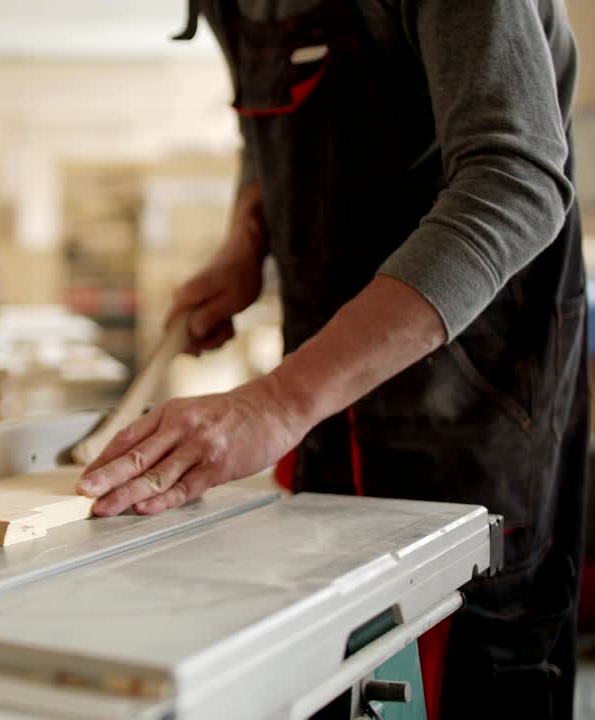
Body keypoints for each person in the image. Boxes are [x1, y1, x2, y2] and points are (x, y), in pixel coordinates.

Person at [76, 1, 587, 717]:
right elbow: (270, 123)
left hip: (479, 410)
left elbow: (517, 181)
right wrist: (244, 240)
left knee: (478, 670)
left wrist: (277, 401)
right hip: (330, 417)